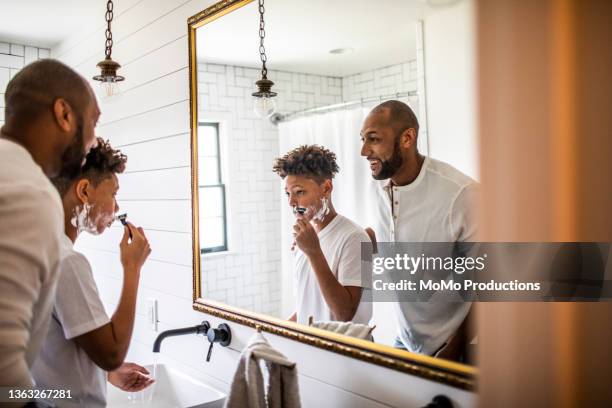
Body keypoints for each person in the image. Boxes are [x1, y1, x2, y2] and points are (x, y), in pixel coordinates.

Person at [31, 138, 153, 407]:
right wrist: (132, 268)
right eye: (114, 194)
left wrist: (107, 373)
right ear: (84, 191)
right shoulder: (66, 262)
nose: (117, 208)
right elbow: (111, 352)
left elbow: (50, 354)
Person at [0, 59, 99, 388]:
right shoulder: (29, 191)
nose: (94, 141)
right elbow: (5, 369)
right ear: (65, 114)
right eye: (93, 121)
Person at [360, 100, 477, 360]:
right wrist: (329, 240)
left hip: (462, 344)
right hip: (408, 339)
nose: (364, 151)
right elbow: (390, 238)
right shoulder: (376, 189)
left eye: (374, 139)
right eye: (363, 139)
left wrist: (454, 350)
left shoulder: (461, 194)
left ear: (407, 138)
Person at [273, 145, 372, 325]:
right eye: (288, 194)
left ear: (326, 188)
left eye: (299, 192)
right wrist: (278, 330)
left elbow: (344, 313)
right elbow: (310, 305)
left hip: (345, 352)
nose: (291, 202)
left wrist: (313, 252)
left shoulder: (355, 238)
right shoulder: (304, 240)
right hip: (311, 348)